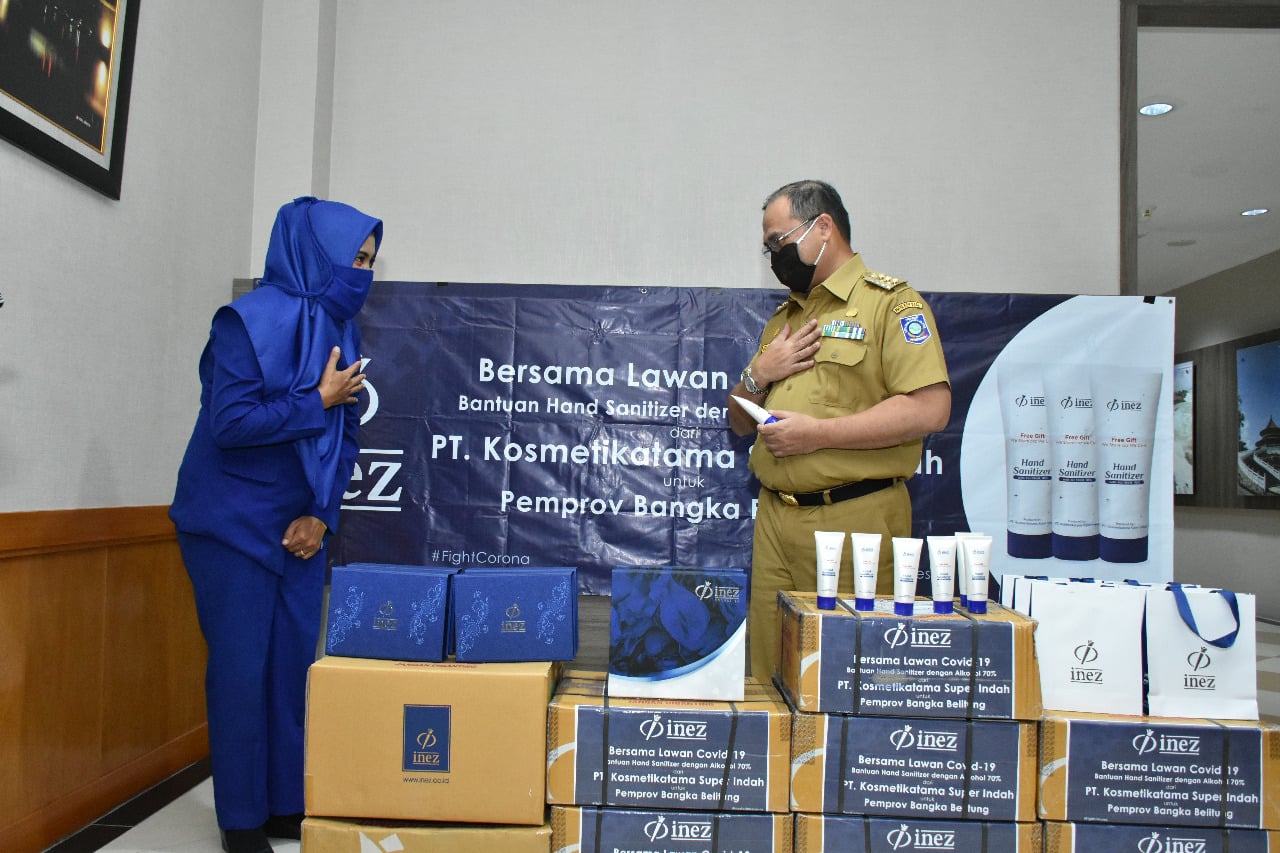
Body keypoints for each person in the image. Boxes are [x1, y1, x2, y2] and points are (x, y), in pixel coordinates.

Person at [169, 197, 382, 853]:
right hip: (230, 525)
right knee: (241, 669)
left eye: (371, 261)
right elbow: (230, 424)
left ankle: (284, 802)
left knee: (291, 669)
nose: (364, 272)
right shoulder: (244, 321)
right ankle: (239, 818)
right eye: (356, 257)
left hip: (300, 530)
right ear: (317, 253)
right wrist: (315, 397)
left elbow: (345, 436)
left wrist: (322, 513)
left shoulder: (343, 325)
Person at [728, 180, 951, 681]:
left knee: (849, 674)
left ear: (822, 228)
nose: (773, 254)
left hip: (856, 521)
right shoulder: (786, 317)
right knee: (767, 672)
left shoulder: (890, 304)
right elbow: (738, 421)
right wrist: (760, 374)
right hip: (775, 521)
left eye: (779, 241)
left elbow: (931, 409)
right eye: (768, 247)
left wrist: (818, 435)